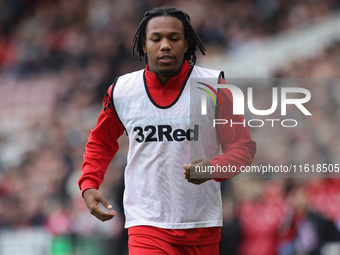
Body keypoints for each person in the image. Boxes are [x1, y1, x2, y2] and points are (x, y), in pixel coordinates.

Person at [78, 6, 256, 255]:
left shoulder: (214, 86)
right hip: (146, 224)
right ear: (143, 45)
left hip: (201, 225)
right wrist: (89, 184)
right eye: (156, 38)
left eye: (174, 38)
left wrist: (212, 168)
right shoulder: (122, 91)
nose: (165, 45)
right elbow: (100, 141)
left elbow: (243, 148)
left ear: (186, 44)